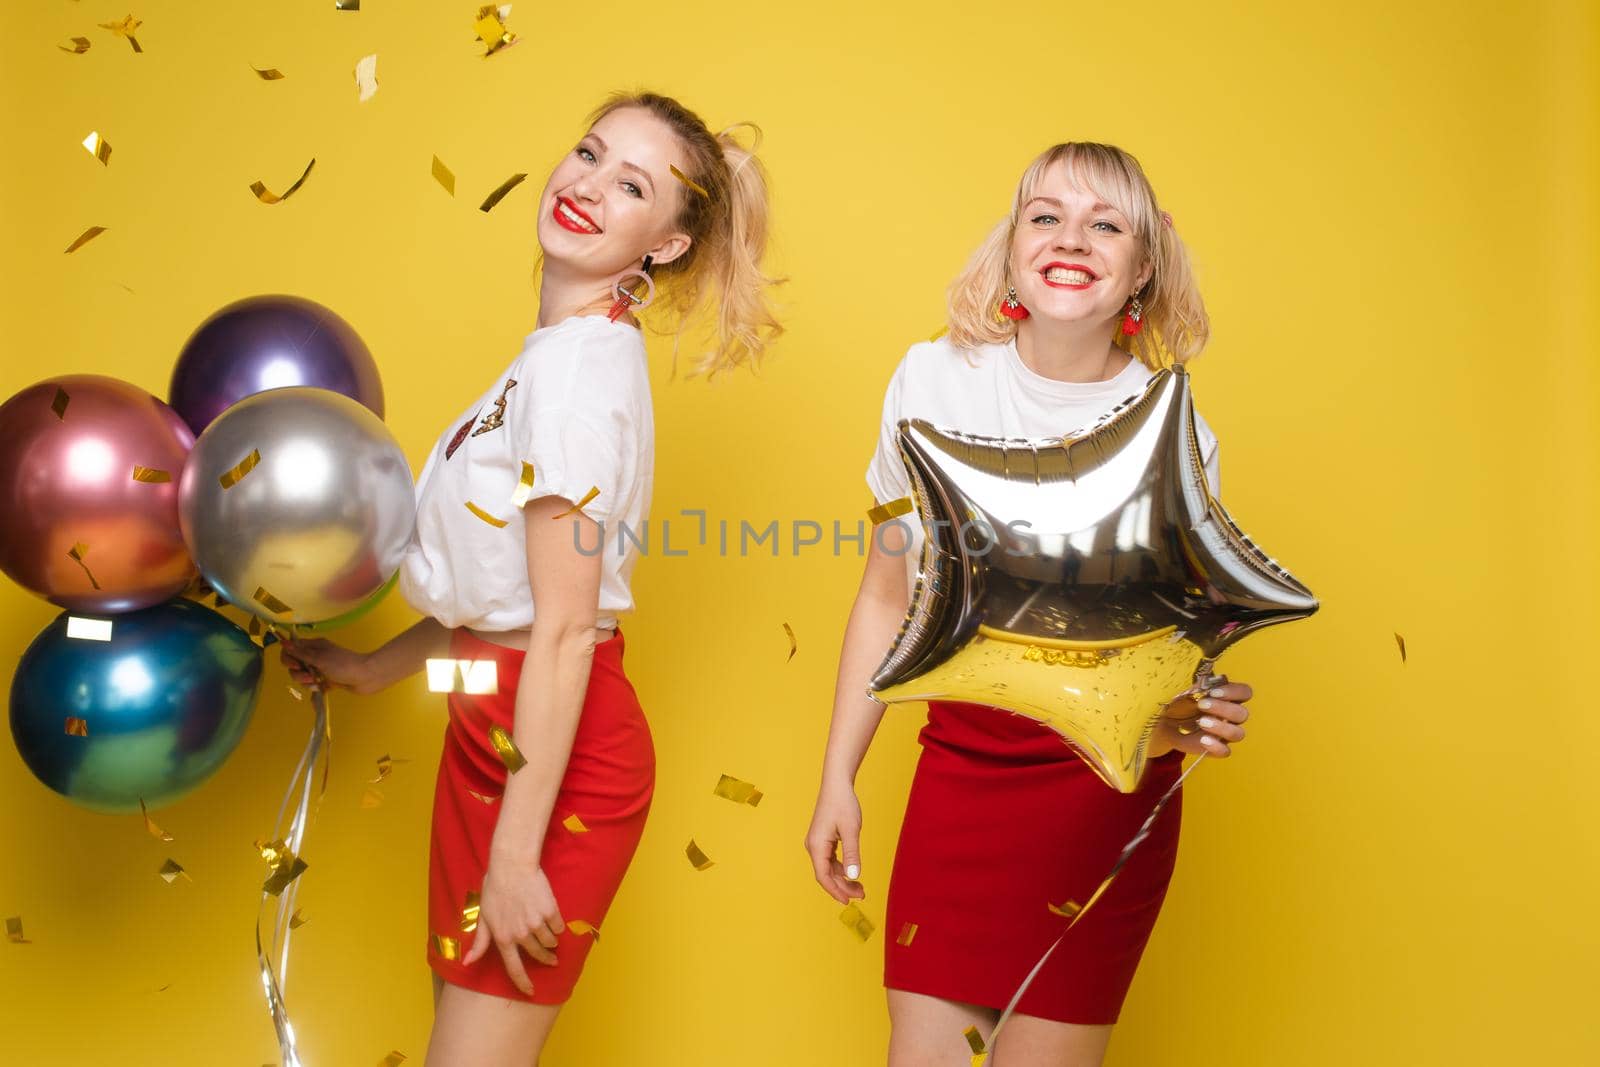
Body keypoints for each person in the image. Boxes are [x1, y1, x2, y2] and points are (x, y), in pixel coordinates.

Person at [281, 89, 782, 1066]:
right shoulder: (549, 359)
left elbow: (562, 632)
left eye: (631, 185)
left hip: (556, 757)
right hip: (494, 726)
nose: (587, 187)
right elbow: (492, 615)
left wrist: (517, 853)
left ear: (667, 245)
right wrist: (375, 668)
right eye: (589, 153)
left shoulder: (578, 381)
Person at [804, 142, 1254, 1067]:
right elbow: (888, 593)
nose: (1071, 238)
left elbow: (1167, 657)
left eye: (1105, 224)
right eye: (1045, 215)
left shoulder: (1178, 428)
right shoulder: (931, 383)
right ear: (1012, 249)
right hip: (960, 770)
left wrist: (1189, 712)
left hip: (1098, 792)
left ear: (1142, 269)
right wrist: (838, 776)